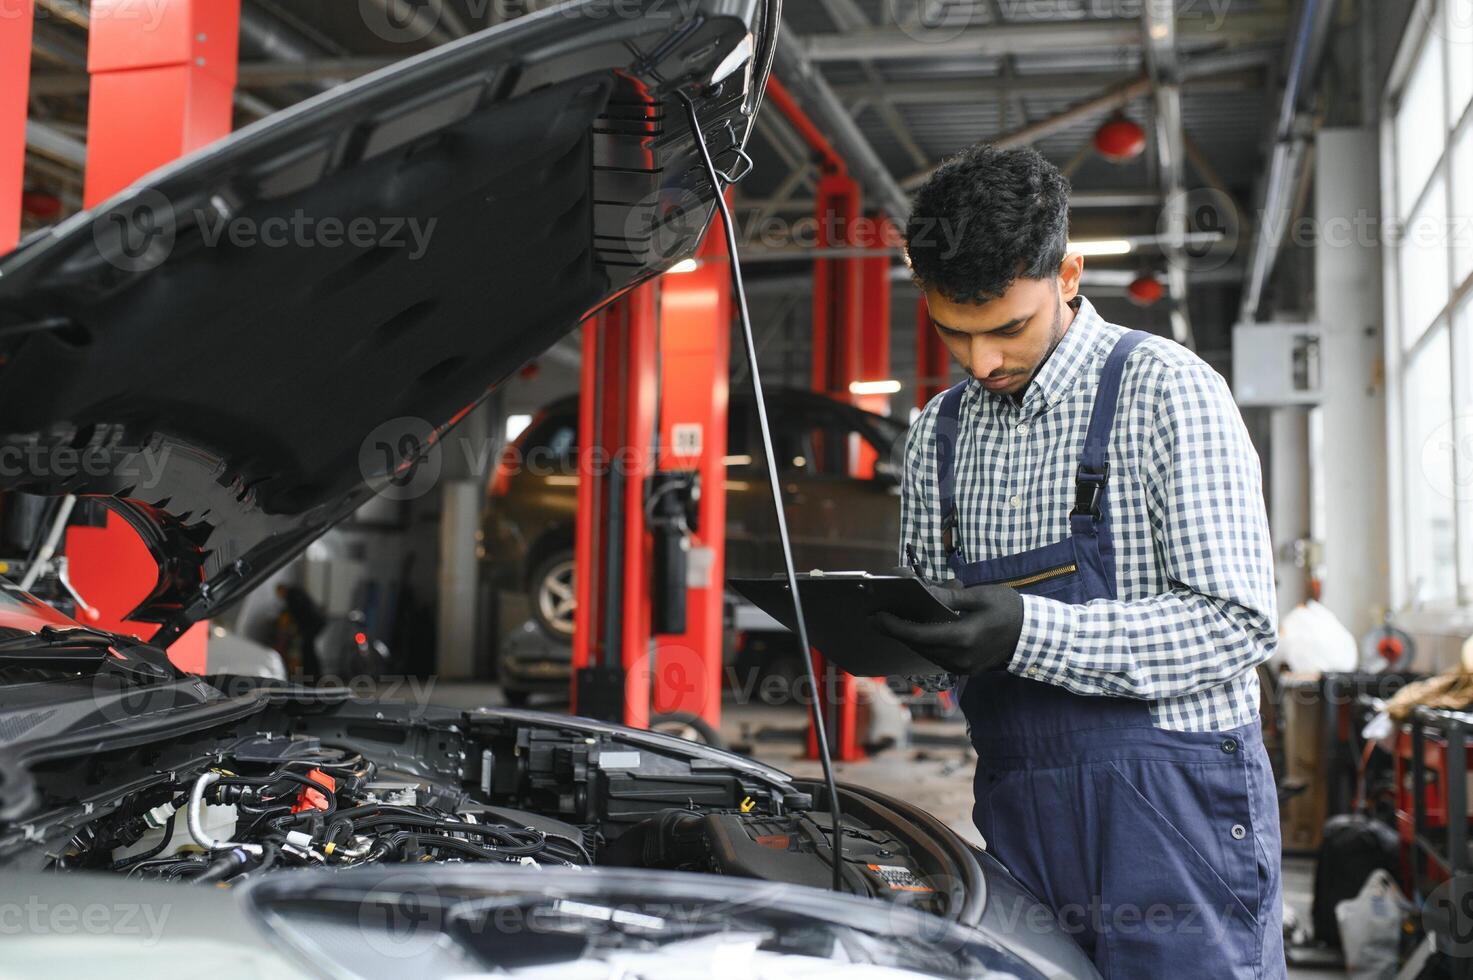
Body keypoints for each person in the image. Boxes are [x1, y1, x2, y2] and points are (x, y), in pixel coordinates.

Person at [873, 143, 1283, 978]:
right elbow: (936, 651)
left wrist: (1025, 630)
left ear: (1067, 274)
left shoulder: (1167, 391)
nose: (980, 362)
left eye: (1006, 330)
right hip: (1021, 806)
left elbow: (1235, 624)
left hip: (1173, 820)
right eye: (954, 332)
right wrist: (895, 648)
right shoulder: (937, 437)